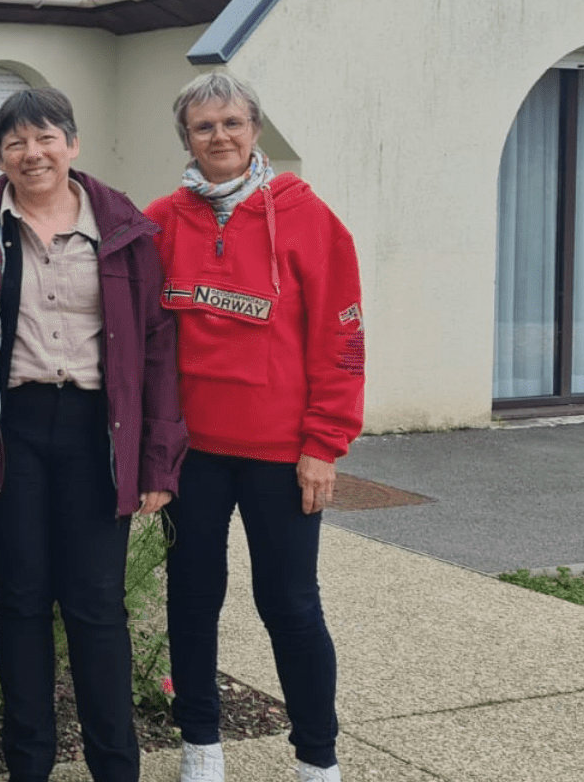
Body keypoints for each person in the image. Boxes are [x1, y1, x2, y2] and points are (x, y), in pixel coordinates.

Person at [0, 86, 186, 782]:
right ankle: (30, 767)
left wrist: (159, 460)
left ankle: (115, 767)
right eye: (15, 142)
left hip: (95, 431)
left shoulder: (127, 232)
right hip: (8, 429)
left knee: (96, 604)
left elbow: (159, 349)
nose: (32, 152)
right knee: (19, 601)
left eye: (45, 137)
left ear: (71, 144)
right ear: (0, 156)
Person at [143, 72, 363, 782]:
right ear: (187, 139)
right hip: (192, 457)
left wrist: (323, 446)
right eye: (204, 127)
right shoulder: (160, 223)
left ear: (256, 130)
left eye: (232, 123)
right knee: (191, 599)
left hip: (281, 458)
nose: (220, 138)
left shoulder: (310, 220)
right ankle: (201, 746)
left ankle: (317, 757)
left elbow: (340, 342)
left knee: (291, 605)